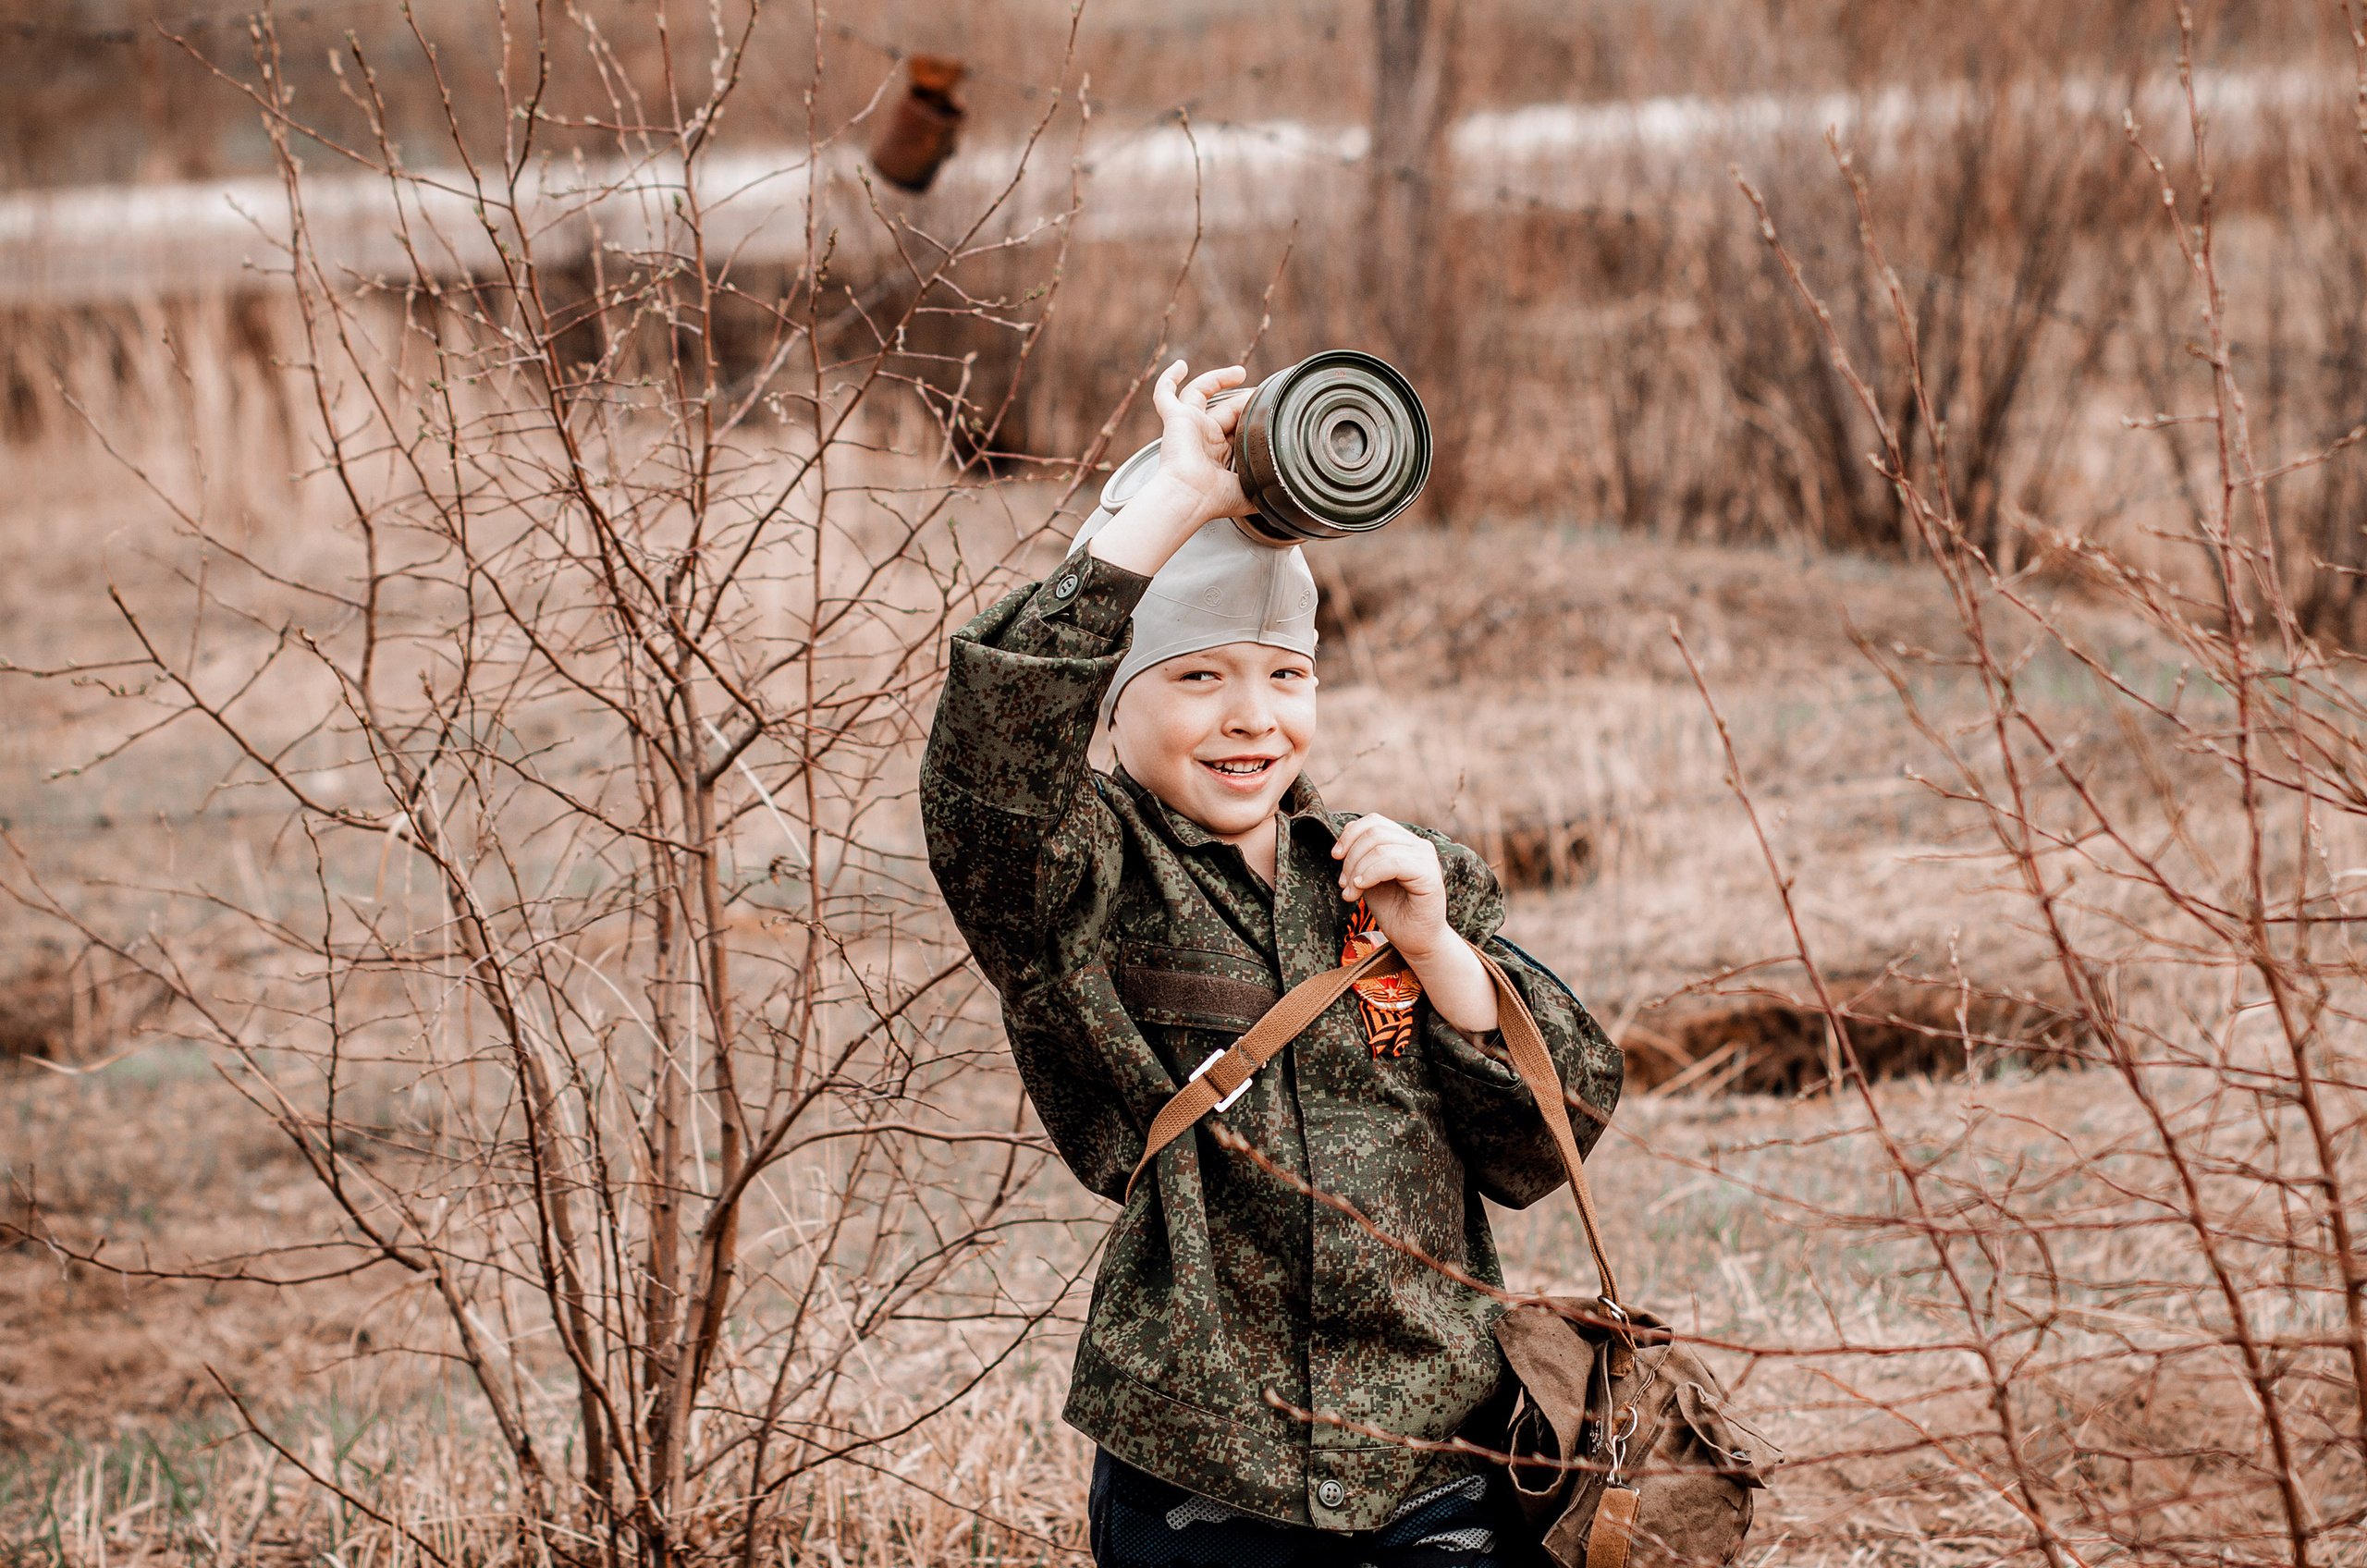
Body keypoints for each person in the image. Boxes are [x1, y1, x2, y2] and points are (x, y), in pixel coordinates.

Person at [922, 359, 1625, 1567]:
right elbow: (993, 752)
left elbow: (1545, 1142)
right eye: (1198, 676)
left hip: (1438, 1463)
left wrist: (1440, 952)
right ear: (1112, 699)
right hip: (1201, 1470)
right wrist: (1175, 503)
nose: (1252, 717)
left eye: (1284, 676)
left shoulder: (1385, 869)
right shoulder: (1080, 880)